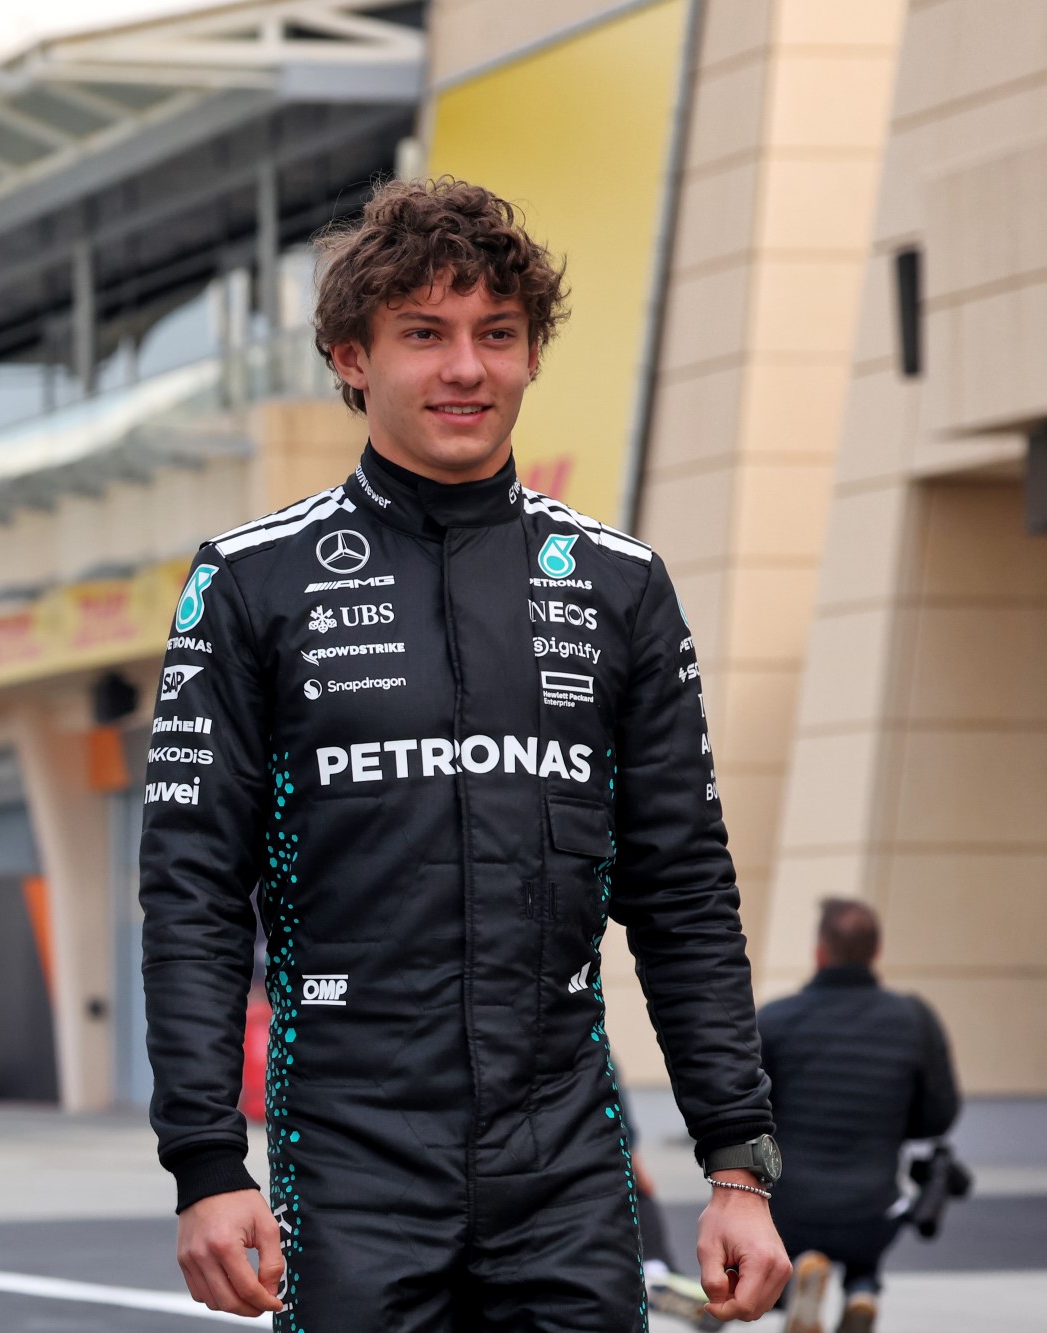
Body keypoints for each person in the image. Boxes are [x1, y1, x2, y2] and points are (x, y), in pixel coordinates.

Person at [138, 177, 791, 1329]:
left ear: (532, 354)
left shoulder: (618, 586)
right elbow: (190, 888)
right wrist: (204, 1161)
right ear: (351, 357)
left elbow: (683, 888)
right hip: (349, 1158)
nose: (464, 369)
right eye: (423, 334)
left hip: (566, 1165)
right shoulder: (249, 581)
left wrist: (736, 1165)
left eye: (495, 334)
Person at [761, 899, 959, 1333]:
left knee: (792, 1237)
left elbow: (750, 1109)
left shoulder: (774, 1019)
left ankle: (798, 1286)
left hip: (789, 1208)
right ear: (876, 951)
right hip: (873, 1209)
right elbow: (939, 1116)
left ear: (819, 951)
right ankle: (863, 1291)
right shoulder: (914, 1018)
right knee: (865, 1242)